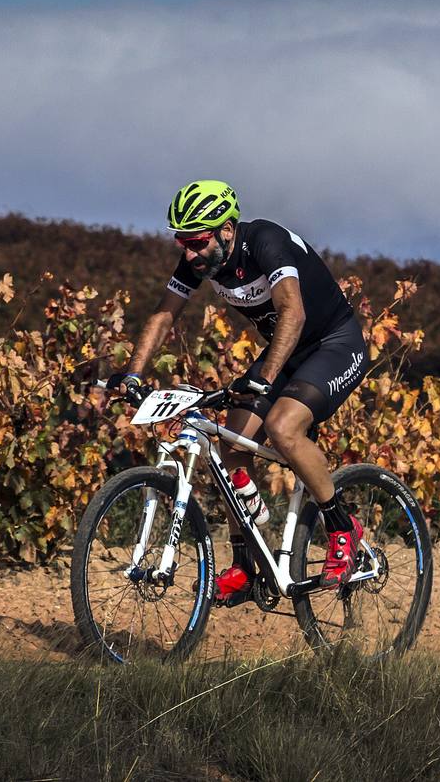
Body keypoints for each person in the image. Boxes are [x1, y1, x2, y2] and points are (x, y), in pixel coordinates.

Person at [100, 179, 369, 600]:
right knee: (233, 446)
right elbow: (163, 316)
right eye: (182, 243)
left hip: (333, 343)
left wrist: (263, 377)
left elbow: (292, 313)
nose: (189, 254)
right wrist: (132, 374)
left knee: (282, 427)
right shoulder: (197, 261)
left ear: (226, 229)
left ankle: (343, 528)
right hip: (287, 350)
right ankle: (246, 565)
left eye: (197, 242)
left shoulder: (265, 241)